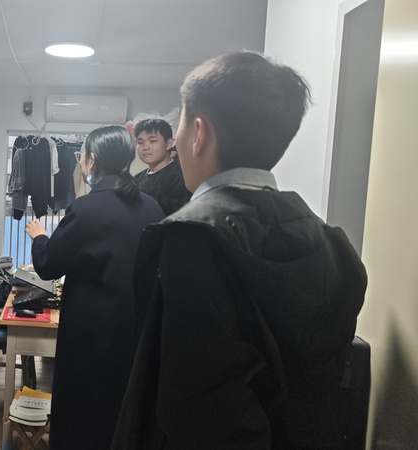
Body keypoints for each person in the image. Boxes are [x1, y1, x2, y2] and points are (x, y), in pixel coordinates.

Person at [112, 52, 367, 449]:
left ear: (199, 134)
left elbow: (186, 404)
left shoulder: (187, 240)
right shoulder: (330, 240)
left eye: (181, 125)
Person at [25, 125, 165, 450]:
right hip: (136, 331)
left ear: (92, 160)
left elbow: (48, 265)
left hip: (89, 334)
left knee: (80, 413)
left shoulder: (86, 208)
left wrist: (39, 237)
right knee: (121, 411)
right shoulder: (152, 208)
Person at [133, 118, 191, 215]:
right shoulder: (136, 179)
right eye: (140, 142)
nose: (145, 147)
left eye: (152, 141)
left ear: (168, 144)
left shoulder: (181, 177)